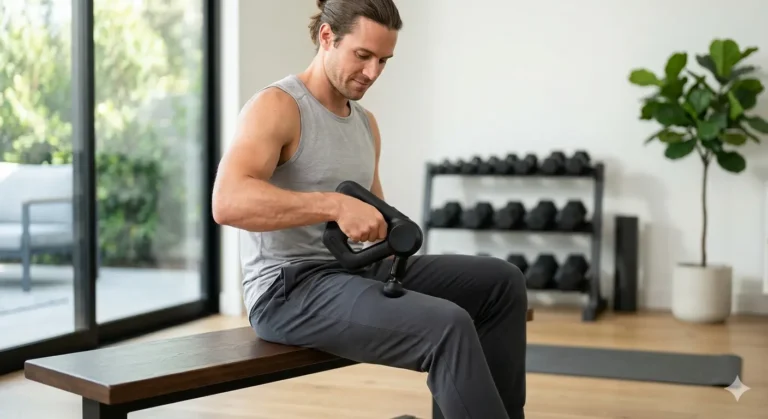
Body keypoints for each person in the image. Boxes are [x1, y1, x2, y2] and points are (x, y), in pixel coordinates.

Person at [211, 0, 528, 418]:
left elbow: (372, 216)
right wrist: (334, 205)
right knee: (447, 326)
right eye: (362, 55)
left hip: (357, 271)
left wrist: (390, 231)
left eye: (383, 60)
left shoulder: (365, 123)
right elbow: (228, 201)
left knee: (502, 283)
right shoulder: (278, 106)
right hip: (289, 289)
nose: (373, 72)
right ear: (327, 37)